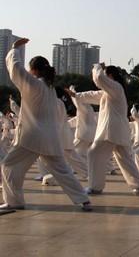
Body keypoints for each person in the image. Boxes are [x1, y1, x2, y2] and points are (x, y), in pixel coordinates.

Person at [0, 38, 91, 211]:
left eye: (30, 69)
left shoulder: (35, 84)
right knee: (62, 170)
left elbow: (15, 69)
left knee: (9, 165)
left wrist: (15, 49)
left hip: (32, 136)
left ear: (33, 70)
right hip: (50, 137)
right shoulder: (50, 89)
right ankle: (83, 199)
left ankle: (14, 201)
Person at [66, 64, 139, 195]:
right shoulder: (110, 92)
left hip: (111, 131)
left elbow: (98, 78)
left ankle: (95, 187)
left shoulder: (116, 87)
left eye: (105, 73)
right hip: (117, 131)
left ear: (110, 76)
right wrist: (76, 95)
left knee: (94, 153)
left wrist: (97, 67)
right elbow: (92, 95)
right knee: (125, 159)